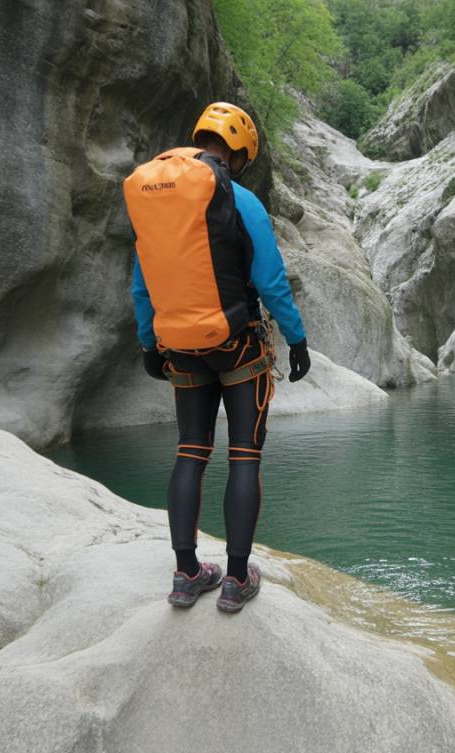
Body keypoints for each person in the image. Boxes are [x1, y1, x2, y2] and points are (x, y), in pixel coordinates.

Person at [125, 102, 311, 613]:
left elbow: (144, 286)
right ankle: (234, 579)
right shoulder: (243, 200)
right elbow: (271, 281)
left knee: (190, 451)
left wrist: (148, 344)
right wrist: (295, 339)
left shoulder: (159, 205)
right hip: (238, 347)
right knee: (244, 456)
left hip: (180, 351)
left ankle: (186, 574)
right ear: (241, 153)